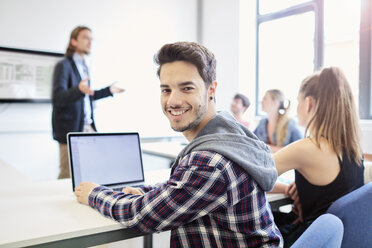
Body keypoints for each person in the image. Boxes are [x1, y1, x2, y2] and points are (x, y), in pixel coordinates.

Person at [74, 42, 283, 247]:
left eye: (187, 88)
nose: (173, 100)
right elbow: (185, 186)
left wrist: (94, 193)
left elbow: (142, 216)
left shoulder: (210, 162)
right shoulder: (227, 134)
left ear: (211, 89)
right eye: (166, 90)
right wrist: (147, 192)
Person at [270, 67, 365, 247]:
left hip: (309, 239)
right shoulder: (353, 148)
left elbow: (246, 178)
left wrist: (284, 188)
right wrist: (296, 188)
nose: (296, 109)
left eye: (298, 101)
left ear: (309, 104)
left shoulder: (308, 148)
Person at [52, 26, 124, 179]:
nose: (90, 42)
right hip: (70, 130)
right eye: (85, 37)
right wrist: (78, 90)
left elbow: (86, 96)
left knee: (92, 172)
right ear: (73, 41)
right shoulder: (64, 65)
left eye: (91, 38)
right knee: (67, 175)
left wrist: (108, 91)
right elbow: (58, 97)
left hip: (87, 126)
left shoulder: (84, 66)